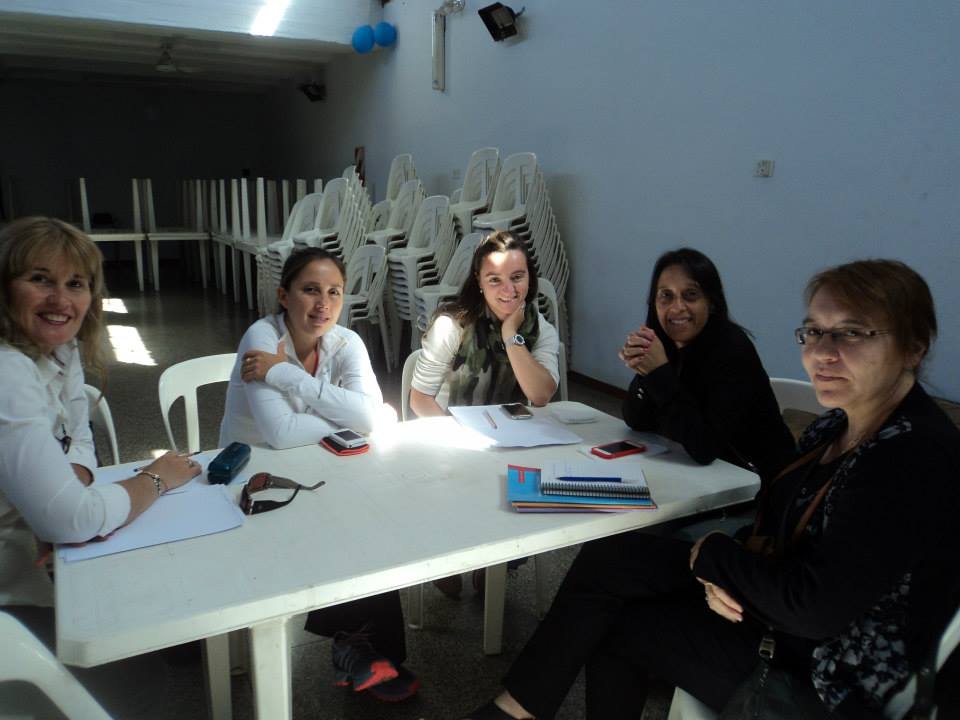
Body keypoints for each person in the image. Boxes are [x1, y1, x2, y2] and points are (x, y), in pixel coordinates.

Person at [465, 259, 960, 719]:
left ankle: (515, 711)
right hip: (774, 589)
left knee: (619, 621)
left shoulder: (910, 455)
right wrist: (649, 374)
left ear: (913, 348)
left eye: (852, 333)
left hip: (832, 673)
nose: (823, 352)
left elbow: (814, 608)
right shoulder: (835, 426)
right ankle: (517, 710)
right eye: (813, 331)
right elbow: (645, 423)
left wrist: (719, 559)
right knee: (611, 560)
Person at [0, 217, 201, 716]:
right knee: (138, 676)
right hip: (7, 597)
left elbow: (79, 436)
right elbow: (73, 520)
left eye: (76, 283)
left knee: (164, 612)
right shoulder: (7, 370)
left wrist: (68, 483)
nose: (60, 299)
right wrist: (155, 479)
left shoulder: (60, 350)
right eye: (40, 279)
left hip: (28, 557)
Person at [219, 246, 416, 701]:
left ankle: (360, 642)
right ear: (283, 295)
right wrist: (355, 417)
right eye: (310, 290)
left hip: (319, 465)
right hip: (254, 476)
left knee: (369, 517)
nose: (323, 304)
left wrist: (286, 377)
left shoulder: (345, 342)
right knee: (337, 523)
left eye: (334, 292)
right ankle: (355, 641)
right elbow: (281, 433)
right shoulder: (261, 337)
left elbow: (364, 418)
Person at [410, 230, 560, 596]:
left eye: (517, 277)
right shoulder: (452, 325)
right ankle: (445, 554)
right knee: (457, 488)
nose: (508, 290)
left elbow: (540, 394)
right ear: (479, 281)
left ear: (530, 278)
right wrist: (465, 443)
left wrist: (511, 335)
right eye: (495, 280)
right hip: (450, 436)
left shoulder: (538, 328)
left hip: (511, 439)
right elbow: (420, 399)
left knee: (533, 483)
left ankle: (498, 561)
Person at [620, 247, 795, 483]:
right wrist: (644, 371)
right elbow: (637, 421)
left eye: (690, 295)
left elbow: (704, 447)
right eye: (666, 296)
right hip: (699, 474)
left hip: (757, 483)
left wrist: (659, 373)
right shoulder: (664, 342)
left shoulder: (731, 349)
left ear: (711, 302)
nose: (677, 308)